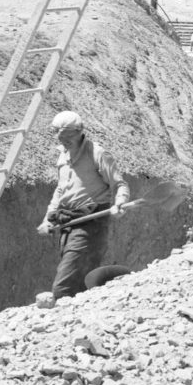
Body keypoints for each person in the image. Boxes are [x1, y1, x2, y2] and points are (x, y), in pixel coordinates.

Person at [36, 112, 130, 300]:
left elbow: (120, 184)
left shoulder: (97, 153)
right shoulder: (63, 156)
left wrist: (120, 203)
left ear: (79, 132)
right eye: (59, 135)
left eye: (67, 135)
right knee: (78, 282)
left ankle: (63, 322)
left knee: (64, 287)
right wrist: (47, 218)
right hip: (67, 224)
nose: (62, 140)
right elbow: (60, 191)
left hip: (90, 224)